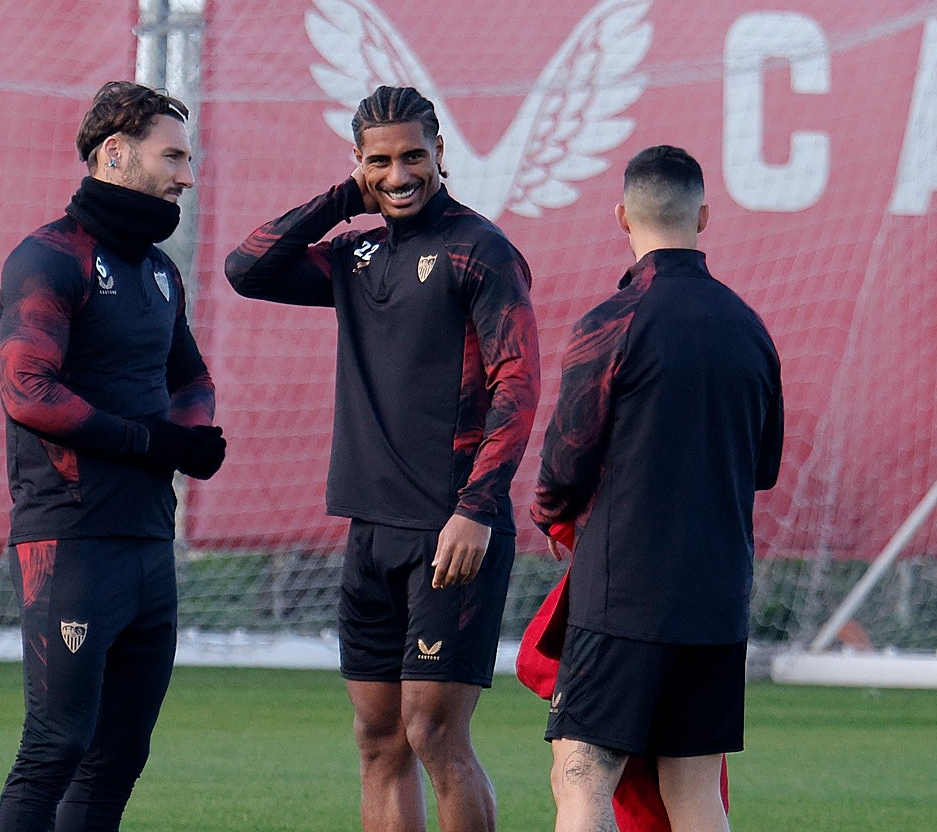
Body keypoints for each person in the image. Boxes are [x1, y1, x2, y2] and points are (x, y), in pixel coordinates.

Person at [226, 85, 541, 832]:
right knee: (378, 742)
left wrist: (475, 509)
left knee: (435, 734)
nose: (399, 175)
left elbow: (519, 388)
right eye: (379, 162)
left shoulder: (483, 250)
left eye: (413, 157)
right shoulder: (356, 253)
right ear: (359, 166)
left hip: (452, 532)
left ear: (441, 154)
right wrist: (342, 199)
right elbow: (249, 268)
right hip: (370, 530)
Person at [530, 144, 784, 832]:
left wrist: (552, 514)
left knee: (580, 777)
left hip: (624, 594)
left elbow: (563, 463)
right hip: (717, 596)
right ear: (702, 215)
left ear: (621, 217)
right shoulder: (750, 330)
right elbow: (764, 469)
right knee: (696, 791)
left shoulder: (611, 322)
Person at [0, 81, 226, 831]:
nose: (186, 175)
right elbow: (27, 390)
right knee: (54, 747)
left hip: (147, 543)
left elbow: (189, 376)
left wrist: (189, 434)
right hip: (70, 540)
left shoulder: (161, 271)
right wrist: (149, 439)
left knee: (120, 753)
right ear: (115, 154)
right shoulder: (47, 257)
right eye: (173, 156)